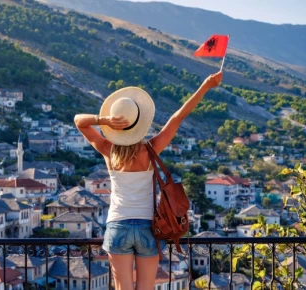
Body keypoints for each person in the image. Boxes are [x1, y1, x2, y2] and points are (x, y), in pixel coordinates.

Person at [74, 71, 223, 290]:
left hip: (118, 225)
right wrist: (205, 85)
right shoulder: (150, 150)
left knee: (122, 287)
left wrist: (104, 120)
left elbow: (79, 121)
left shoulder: (108, 151)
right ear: (139, 124)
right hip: (148, 227)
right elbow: (177, 117)